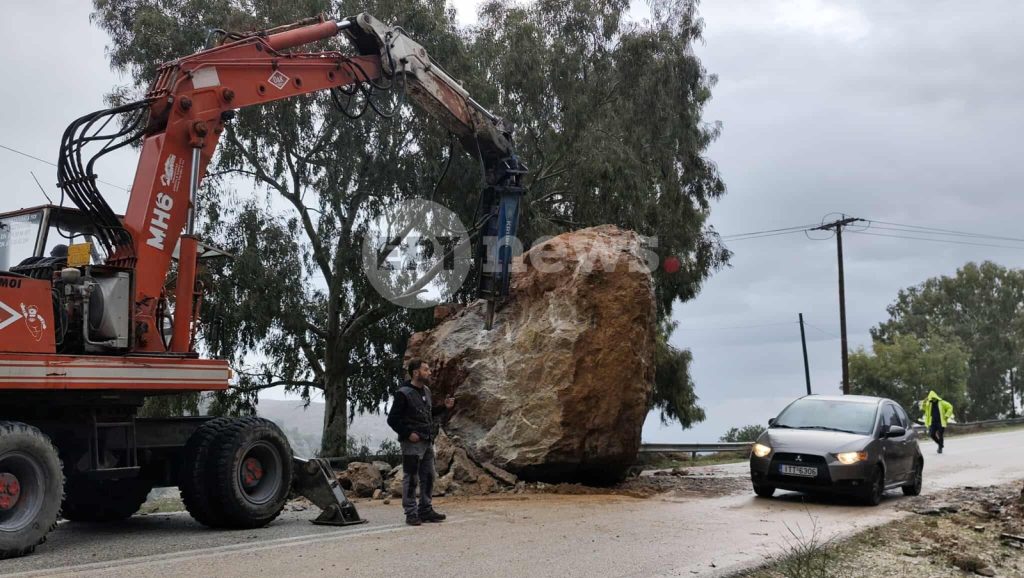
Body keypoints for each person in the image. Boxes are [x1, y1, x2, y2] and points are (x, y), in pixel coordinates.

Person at [386, 359, 455, 526]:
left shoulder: (426, 391)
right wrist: (408, 433)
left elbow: (428, 413)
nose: (429, 372)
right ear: (416, 372)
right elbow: (392, 419)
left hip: (427, 441)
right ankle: (411, 513)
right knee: (411, 478)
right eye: (425, 369)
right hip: (412, 444)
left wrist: (444, 407)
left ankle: (426, 509)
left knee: (429, 475)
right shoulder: (403, 393)